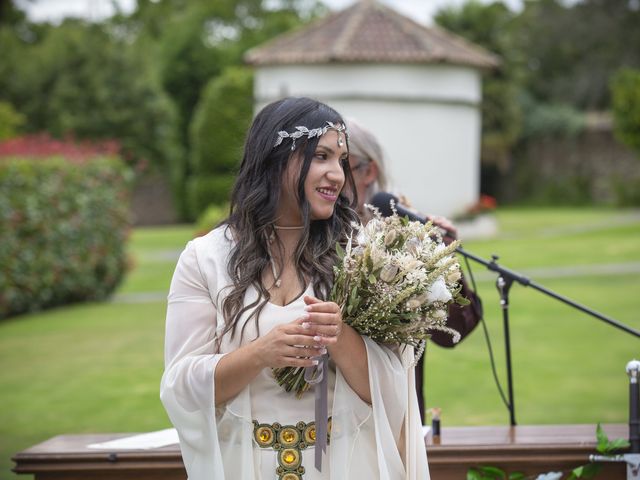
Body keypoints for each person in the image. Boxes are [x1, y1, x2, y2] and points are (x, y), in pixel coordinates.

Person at [160, 97, 429, 480]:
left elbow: (393, 393)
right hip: (246, 466)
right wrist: (260, 353)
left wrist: (339, 336)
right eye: (321, 156)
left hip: (346, 464)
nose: (337, 174)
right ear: (276, 159)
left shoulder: (365, 253)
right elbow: (182, 387)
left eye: (341, 160)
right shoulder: (205, 258)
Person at [346, 119, 483, 423]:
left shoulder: (405, 233)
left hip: (397, 412)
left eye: (343, 165)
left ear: (369, 172)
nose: (329, 175)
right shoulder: (307, 234)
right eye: (319, 161)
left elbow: (454, 333)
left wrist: (442, 261)